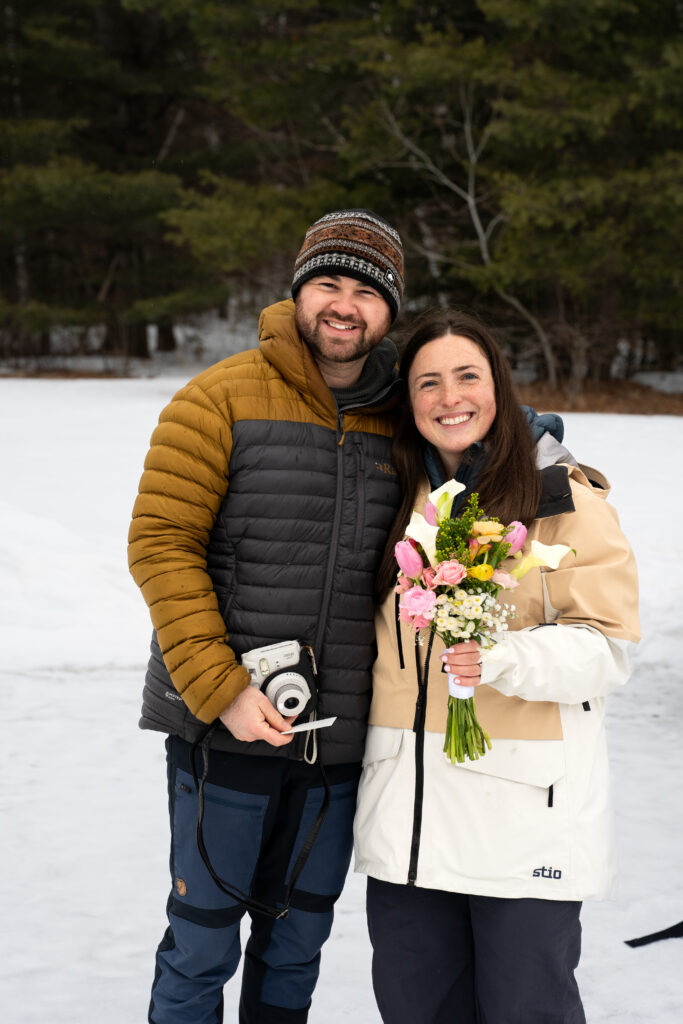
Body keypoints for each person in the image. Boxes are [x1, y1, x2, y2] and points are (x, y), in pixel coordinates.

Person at [127, 209, 406, 1024]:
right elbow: (160, 544)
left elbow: (479, 443)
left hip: (340, 740)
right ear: (297, 292)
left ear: (389, 309)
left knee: (295, 944)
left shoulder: (403, 418)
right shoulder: (218, 396)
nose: (344, 304)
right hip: (224, 730)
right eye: (328, 283)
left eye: (365, 289)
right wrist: (220, 688)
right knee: (204, 937)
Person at [353, 308, 640, 1024]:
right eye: (427, 383)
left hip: (520, 822)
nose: (448, 397)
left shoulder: (559, 493)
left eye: (466, 376)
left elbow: (607, 645)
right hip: (408, 825)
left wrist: (502, 657)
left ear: (497, 384)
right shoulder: (394, 495)